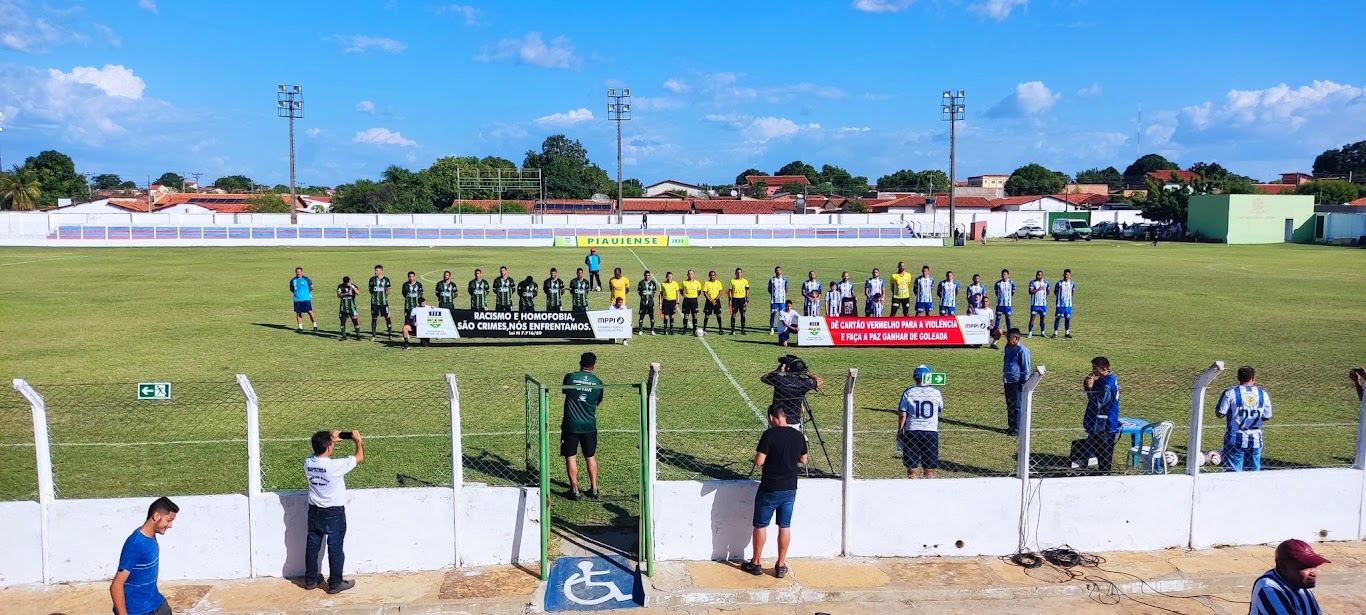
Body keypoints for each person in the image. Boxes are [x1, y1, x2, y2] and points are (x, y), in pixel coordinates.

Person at [743, 403, 808, 579]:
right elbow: (804, 459)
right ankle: (780, 565)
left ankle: (756, 562)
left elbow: (759, 461)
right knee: (784, 525)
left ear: (772, 417)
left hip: (770, 487)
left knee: (761, 524)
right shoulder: (798, 436)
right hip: (790, 487)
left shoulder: (769, 435)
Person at [304, 428, 364, 594]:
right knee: (335, 547)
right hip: (333, 513)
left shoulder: (308, 462)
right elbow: (359, 457)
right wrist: (358, 441)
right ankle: (335, 583)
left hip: (314, 511)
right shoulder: (335, 466)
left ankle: (310, 580)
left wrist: (330, 441)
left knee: (312, 544)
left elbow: (316, 454)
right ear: (329, 448)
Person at [111, 497, 178, 615]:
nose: (170, 525)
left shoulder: (151, 536)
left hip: (157, 604)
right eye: (169, 520)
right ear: (156, 516)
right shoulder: (135, 544)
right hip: (138, 611)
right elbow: (116, 586)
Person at [562, 352, 604, 500]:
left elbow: (565, 391)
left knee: (571, 456)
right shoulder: (598, 382)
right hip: (589, 425)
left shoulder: (570, 377)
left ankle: (574, 490)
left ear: (580, 362)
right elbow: (598, 402)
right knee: (590, 456)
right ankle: (594, 489)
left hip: (571, 425)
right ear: (594, 365)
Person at [1215, 366, 1273, 472]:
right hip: (1255, 440)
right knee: (1253, 474)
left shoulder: (1230, 393)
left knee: (1233, 472)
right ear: (1253, 378)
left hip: (1234, 438)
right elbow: (1267, 416)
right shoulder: (1263, 394)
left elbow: (1220, 414)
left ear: (1238, 377)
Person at [1251, 539, 1329, 615]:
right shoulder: (1268, 588)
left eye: (1314, 566)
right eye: (1305, 567)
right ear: (1283, 566)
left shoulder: (1302, 583)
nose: (1313, 573)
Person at [1074, 357, 1119, 472]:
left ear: (1104, 369)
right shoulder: (1110, 378)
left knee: (1103, 450)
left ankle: (1104, 472)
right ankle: (1099, 468)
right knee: (1101, 448)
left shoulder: (1107, 385)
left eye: (1095, 368)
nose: (1093, 370)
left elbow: (1098, 402)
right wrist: (1088, 384)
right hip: (1104, 420)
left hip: (1103, 422)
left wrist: (1089, 388)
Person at [898, 365, 943, 479]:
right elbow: (940, 409)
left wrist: (900, 430)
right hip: (931, 431)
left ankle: (912, 483)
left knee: (912, 466)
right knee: (930, 467)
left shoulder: (909, 392)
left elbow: (903, 414)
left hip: (912, 430)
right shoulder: (936, 392)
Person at [759, 355, 823, 429]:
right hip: (794, 421)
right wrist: (807, 373)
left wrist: (777, 371)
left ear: (788, 368)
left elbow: (764, 378)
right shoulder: (804, 383)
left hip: (777, 420)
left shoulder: (779, 380)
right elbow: (820, 381)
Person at [1002, 328, 1031, 436]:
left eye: (1009, 337)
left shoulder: (1023, 350)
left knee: (1017, 406)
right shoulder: (1007, 347)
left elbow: (1026, 368)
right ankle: (1011, 426)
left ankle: (1017, 428)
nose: (1007, 339)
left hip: (1017, 382)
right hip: (1007, 380)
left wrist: (1024, 382)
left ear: (1016, 338)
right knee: (1009, 404)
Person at [368, 265, 393, 338]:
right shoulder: (372, 279)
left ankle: (390, 334)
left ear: (381, 271)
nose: (375, 272)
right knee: (374, 318)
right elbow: (370, 290)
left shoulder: (386, 279)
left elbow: (388, 291)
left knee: (387, 317)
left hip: (384, 303)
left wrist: (384, 297)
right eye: (375, 270)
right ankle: (373, 335)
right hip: (374, 303)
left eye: (377, 270)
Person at [290, 267, 318, 333]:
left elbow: (311, 287)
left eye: (299, 272)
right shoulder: (293, 280)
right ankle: (300, 327)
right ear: (295, 272)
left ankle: (315, 326)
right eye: (297, 272)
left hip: (305, 298)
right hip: (297, 299)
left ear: (302, 272)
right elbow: (292, 289)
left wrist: (306, 292)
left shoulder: (306, 279)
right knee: (298, 313)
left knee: (310, 311)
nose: (298, 273)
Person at [335, 276, 361, 341]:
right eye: (345, 283)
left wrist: (352, 287)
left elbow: (358, 293)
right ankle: (344, 336)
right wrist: (347, 293)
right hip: (343, 308)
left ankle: (358, 336)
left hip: (352, 307)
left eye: (348, 283)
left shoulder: (353, 286)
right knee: (342, 322)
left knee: (355, 321)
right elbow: (338, 295)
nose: (347, 284)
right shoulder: (340, 286)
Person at [1052, 269, 1076, 338]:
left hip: (1068, 305)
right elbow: (1055, 292)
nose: (1066, 276)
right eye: (1065, 274)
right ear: (1063, 275)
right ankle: (1055, 333)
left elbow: (1073, 292)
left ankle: (1067, 333)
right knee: (1057, 318)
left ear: (1070, 276)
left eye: (1068, 275)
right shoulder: (1059, 283)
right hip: (1060, 304)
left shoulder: (1072, 283)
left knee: (1067, 318)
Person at [1026, 270, 1049, 338]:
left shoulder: (1046, 282)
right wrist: (1038, 290)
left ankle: (1042, 332)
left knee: (1043, 319)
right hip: (1034, 304)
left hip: (1043, 304)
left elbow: (1048, 292)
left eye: (1039, 275)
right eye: (1037, 275)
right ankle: (1030, 332)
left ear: (1042, 276)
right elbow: (1030, 292)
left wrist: (1044, 296)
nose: (1038, 276)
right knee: (1032, 318)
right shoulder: (1032, 282)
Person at [728, 267, 751, 334]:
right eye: (737, 273)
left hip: (742, 299)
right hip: (735, 299)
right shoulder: (732, 281)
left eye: (740, 272)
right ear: (735, 273)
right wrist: (729, 299)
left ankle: (742, 329)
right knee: (734, 314)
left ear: (742, 273)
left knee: (743, 314)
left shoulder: (745, 281)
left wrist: (747, 299)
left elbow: (747, 290)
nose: (739, 274)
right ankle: (733, 330)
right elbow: (730, 290)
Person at [993, 269, 1016, 337]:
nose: (1004, 276)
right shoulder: (998, 283)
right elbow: (996, 292)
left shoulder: (1012, 283)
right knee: (998, 317)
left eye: (1005, 274)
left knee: (1008, 317)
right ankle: (995, 331)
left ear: (1008, 275)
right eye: (1003, 274)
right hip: (1000, 304)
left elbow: (1013, 292)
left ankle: (1009, 331)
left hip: (1008, 304)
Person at [701, 270, 725, 334]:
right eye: (711, 275)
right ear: (709, 276)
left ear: (715, 276)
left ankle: (720, 329)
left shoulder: (718, 283)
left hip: (716, 301)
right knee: (706, 315)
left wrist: (715, 299)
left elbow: (720, 292)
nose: (712, 276)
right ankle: (704, 329)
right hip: (709, 301)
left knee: (718, 315)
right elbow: (705, 292)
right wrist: (711, 300)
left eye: (713, 275)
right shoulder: (706, 283)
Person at [636, 270, 659, 334]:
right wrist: (642, 296)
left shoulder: (653, 283)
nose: (647, 276)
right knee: (641, 315)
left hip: (650, 302)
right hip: (643, 302)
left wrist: (652, 296)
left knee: (651, 315)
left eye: (648, 275)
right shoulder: (641, 283)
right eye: (646, 275)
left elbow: (654, 290)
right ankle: (640, 330)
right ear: (644, 276)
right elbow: (638, 291)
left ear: (650, 276)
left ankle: (652, 330)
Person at [767, 266, 789, 334]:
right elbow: (769, 289)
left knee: (782, 315)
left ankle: (782, 327)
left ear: (781, 271)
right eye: (777, 270)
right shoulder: (772, 280)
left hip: (782, 300)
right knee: (773, 314)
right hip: (774, 300)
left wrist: (782, 294)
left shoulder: (785, 279)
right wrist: (774, 294)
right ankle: (772, 328)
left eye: (779, 270)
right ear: (775, 271)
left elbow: (786, 289)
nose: (778, 271)